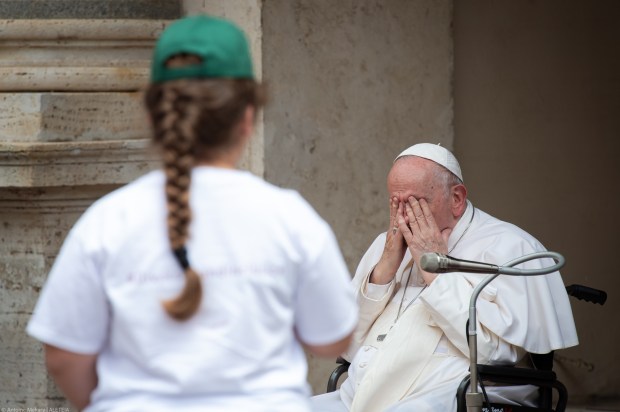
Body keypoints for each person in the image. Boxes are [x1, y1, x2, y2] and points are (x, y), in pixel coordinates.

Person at [27, 15, 358, 412]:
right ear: (247, 118)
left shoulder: (106, 222)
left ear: (154, 116)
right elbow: (333, 339)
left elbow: (64, 355)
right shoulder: (289, 218)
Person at [311, 143, 578, 412]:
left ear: (457, 199)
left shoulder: (510, 246)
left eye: (416, 203)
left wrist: (434, 270)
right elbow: (344, 343)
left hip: (451, 396)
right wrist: (383, 272)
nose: (404, 217)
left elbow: (493, 354)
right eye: (396, 202)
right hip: (359, 396)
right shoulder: (387, 243)